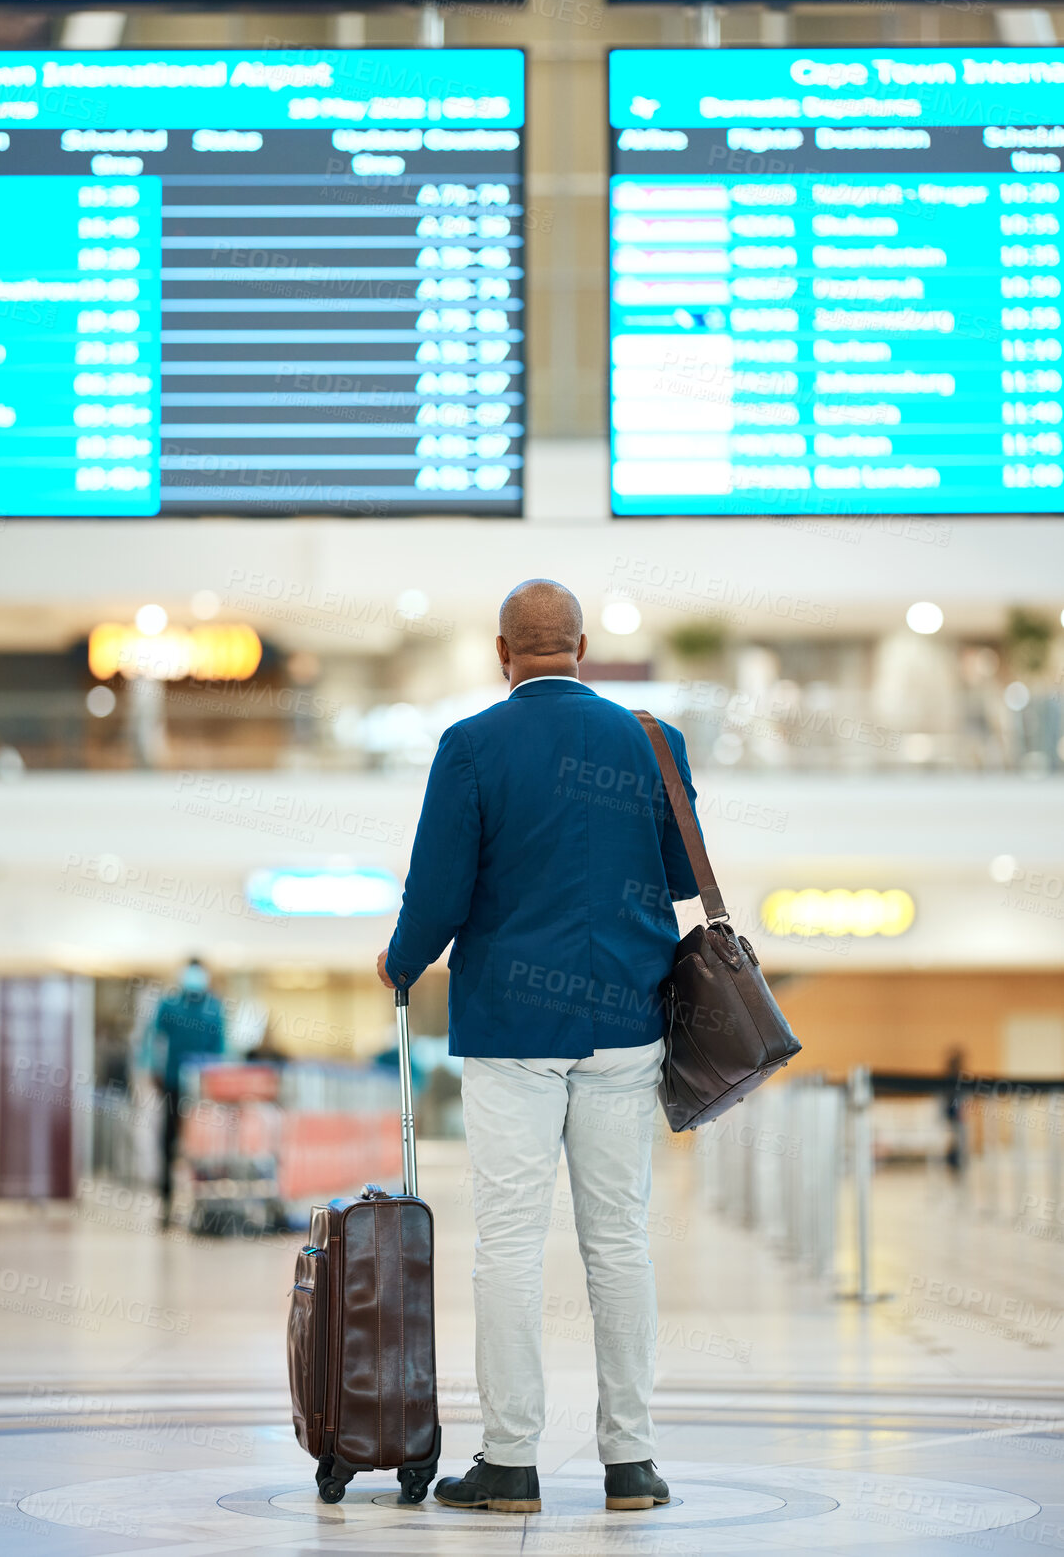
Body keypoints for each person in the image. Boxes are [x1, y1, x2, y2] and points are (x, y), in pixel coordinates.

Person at [376, 579, 701, 1515]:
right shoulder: (653, 741)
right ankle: (631, 1463)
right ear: (584, 647)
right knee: (619, 1243)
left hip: (513, 1029)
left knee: (509, 1245)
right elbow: (681, 875)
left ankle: (511, 1463)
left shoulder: (471, 745)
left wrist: (401, 964)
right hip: (625, 1024)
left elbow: (436, 891)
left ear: (501, 652)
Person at [150, 958, 225, 1226]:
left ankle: (207, 1205)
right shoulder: (169, 1005)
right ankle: (167, 1203)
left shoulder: (214, 1008)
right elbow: (154, 1041)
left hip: (203, 1089)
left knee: (205, 1147)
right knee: (168, 1144)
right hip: (172, 1084)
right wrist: (153, 1070)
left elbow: (220, 1050)